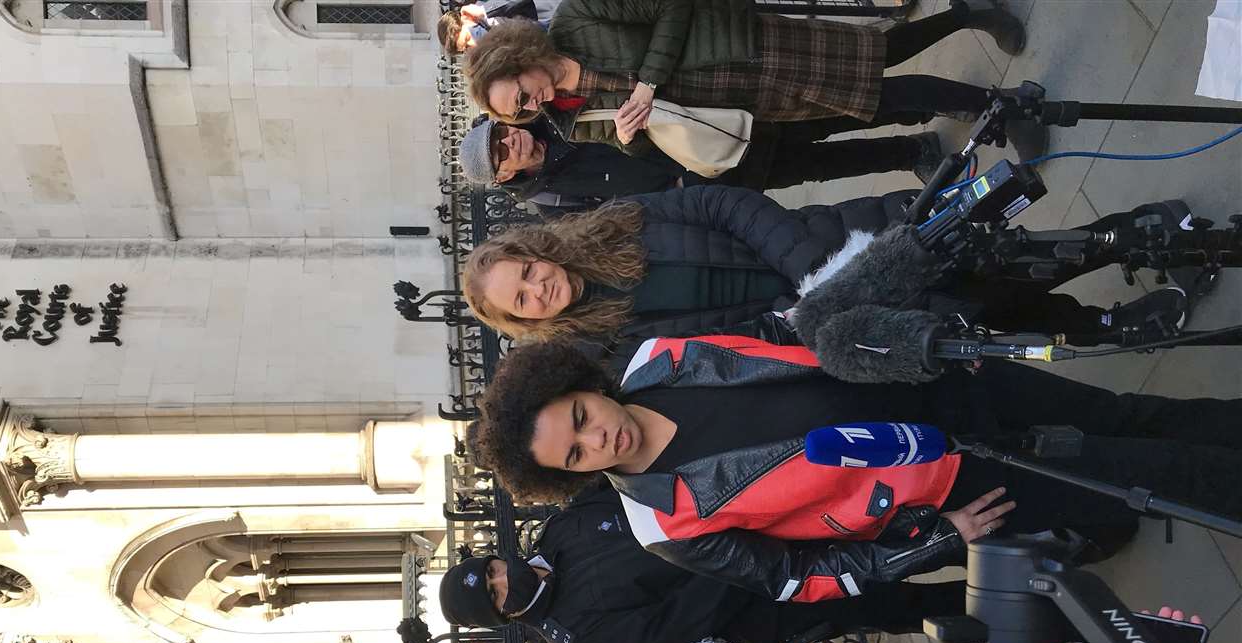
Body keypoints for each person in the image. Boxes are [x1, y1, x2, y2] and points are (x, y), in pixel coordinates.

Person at [466, 335, 1242, 602]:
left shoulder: (658, 358)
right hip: (949, 480)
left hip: (935, 386)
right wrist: (937, 541)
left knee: (1123, 413)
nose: (593, 440)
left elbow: (790, 329)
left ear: (580, 387)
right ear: (570, 476)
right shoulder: (662, 521)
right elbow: (796, 578)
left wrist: (912, 345)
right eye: (573, 455)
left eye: (578, 418)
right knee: (1144, 471)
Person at [460, 189, 1200, 356]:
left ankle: (1132, 239)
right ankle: (1106, 324)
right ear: (526, 321)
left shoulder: (613, 220)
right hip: (819, 322)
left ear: (537, 251)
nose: (537, 289)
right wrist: (797, 320)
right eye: (522, 302)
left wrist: (811, 268)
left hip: (830, 247)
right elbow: (714, 354)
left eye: (526, 272)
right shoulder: (606, 345)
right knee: (983, 312)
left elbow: (723, 205)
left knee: (1003, 256)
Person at [463, 2, 1047, 180]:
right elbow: (637, 149)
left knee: (878, 59)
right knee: (875, 96)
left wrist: (648, 78)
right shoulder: (568, 120)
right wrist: (628, 134)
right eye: (521, 112)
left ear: (516, 60)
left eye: (520, 98)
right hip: (748, 102)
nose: (530, 110)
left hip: (743, 47)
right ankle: (999, 101)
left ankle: (977, 41)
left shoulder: (575, 19)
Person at [437, 482, 965, 643]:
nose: (503, 580)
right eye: (495, 595)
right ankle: (1016, 605)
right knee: (901, 602)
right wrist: (735, 553)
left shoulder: (560, 529)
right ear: (502, 615)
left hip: (763, 521)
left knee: (899, 524)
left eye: (492, 572)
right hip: (767, 598)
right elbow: (686, 619)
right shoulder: (585, 640)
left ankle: (999, 534)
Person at [458, 113, 945, 210]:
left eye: (501, 133)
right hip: (694, 181)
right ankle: (910, 151)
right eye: (500, 152)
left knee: (812, 126)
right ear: (503, 175)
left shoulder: (553, 115)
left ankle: (914, 113)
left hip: (696, 132)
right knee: (813, 167)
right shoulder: (550, 198)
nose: (510, 142)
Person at [438, 0, 555, 56]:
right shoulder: (493, 50)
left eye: (467, 39)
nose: (473, 46)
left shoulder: (486, 7)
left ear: (466, 18)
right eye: (466, 49)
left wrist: (485, 12)